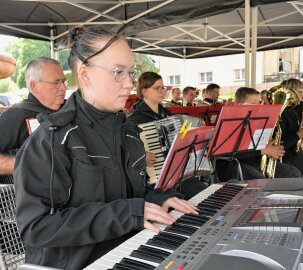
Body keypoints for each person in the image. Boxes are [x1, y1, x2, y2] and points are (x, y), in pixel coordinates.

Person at [14, 27, 198, 270]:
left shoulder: (128, 130)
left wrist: (161, 200)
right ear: (84, 74)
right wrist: (129, 214)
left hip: (131, 250)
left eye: (130, 72)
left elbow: (130, 197)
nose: (129, 83)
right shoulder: (51, 139)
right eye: (117, 72)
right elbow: (36, 227)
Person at [132, 71, 207, 199]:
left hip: (178, 173)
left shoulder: (166, 113)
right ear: (144, 91)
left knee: (206, 194)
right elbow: (127, 150)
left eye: (163, 88)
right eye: (157, 88)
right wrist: (141, 155)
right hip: (156, 180)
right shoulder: (135, 120)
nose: (162, 92)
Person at [0, 57, 67, 178]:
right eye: (56, 82)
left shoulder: (69, 109)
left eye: (64, 82)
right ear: (34, 86)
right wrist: (28, 163)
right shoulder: (16, 116)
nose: (63, 88)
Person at [216, 87, 302, 180]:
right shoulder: (227, 122)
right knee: (262, 181)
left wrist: (270, 145)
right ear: (239, 105)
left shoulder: (258, 120)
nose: (259, 106)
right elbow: (228, 153)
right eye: (254, 103)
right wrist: (263, 150)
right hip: (234, 165)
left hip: (255, 162)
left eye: (259, 102)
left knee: (293, 173)